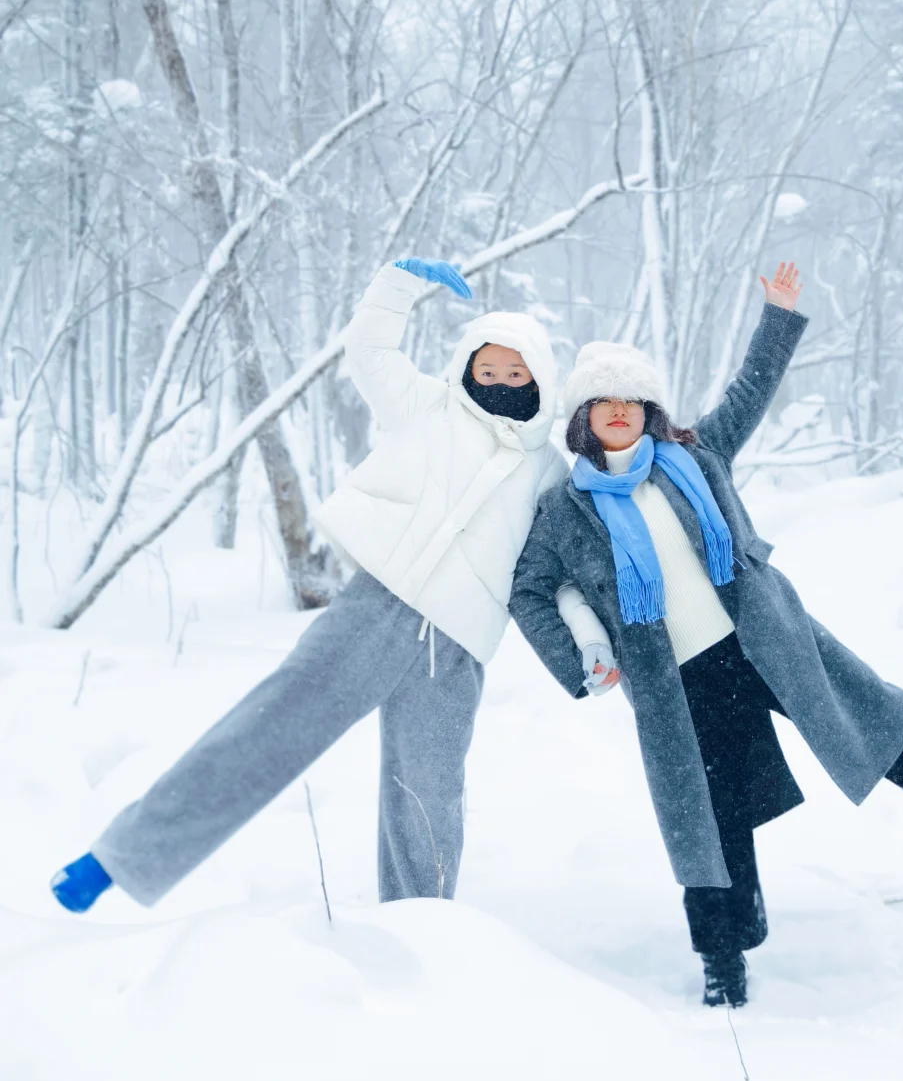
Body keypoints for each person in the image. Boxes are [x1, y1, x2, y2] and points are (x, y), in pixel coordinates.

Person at [510, 262, 903, 1009]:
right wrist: (581, 660)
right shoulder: (564, 513)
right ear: (582, 420)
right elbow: (527, 590)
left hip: (766, 638)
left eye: (631, 400)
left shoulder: (697, 456)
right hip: (676, 683)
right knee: (708, 816)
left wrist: (778, 315)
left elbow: (750, 390)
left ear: (649, 411)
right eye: (602, 403)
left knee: (880, 720)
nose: (618, 412)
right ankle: (724, 955)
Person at [50, 256, 602, 913]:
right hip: (374, 612)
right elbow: (369, 351)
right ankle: (120, 858)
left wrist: (590, 642)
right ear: (467, 368)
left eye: (516, 374)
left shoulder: (548, 472)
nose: (501, 383)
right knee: (268, 730)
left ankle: (425, 936)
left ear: (538, 380)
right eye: (489, 371)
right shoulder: (427, 406)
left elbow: (554, 576)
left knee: (429, 804)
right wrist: (398, 284)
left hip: (454, 653)